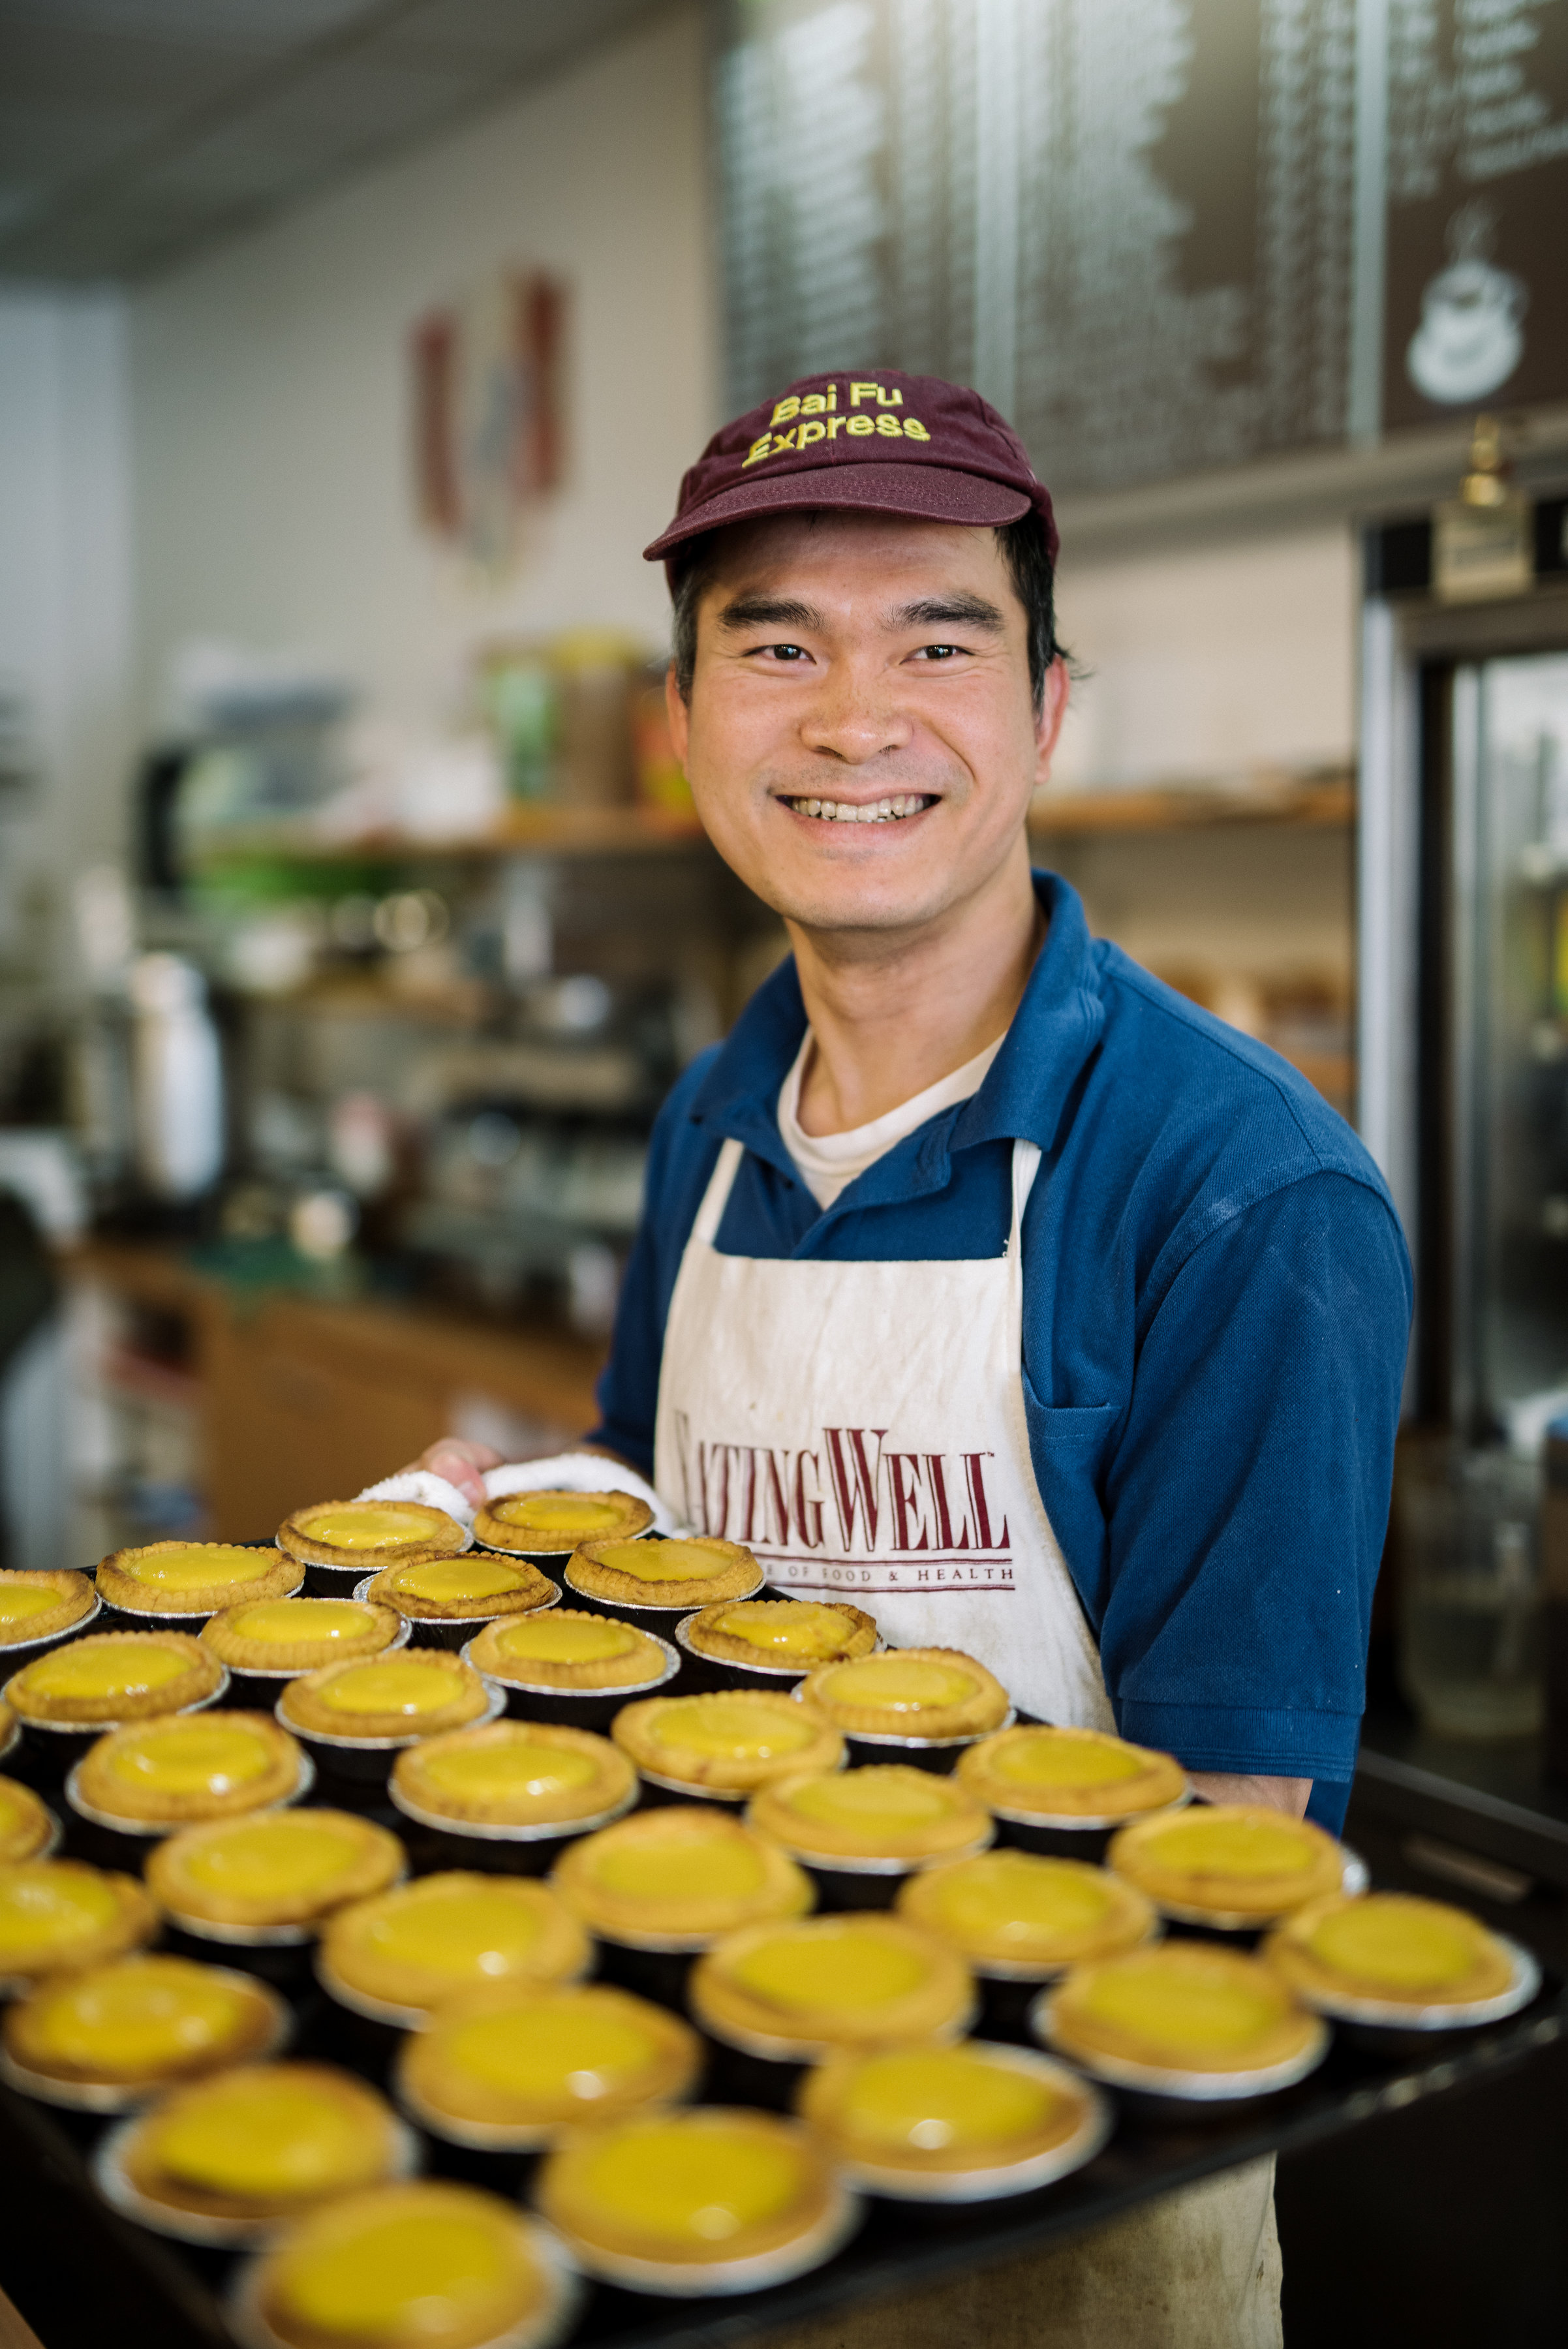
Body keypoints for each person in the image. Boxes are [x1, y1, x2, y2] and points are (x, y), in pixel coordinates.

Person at [403, 371, 1412, 2346]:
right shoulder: (714, 1114)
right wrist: (507, 1536)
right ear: (681, 726)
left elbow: (1226, 1846)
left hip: (1062, 2203)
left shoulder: (1233, 1191)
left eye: (933, 641)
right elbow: (664, 1496)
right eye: (774, 646)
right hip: (697, 2123)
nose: (853, 720)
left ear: (1043, 708)